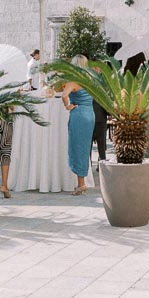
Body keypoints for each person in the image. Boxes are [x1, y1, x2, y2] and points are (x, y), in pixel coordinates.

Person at [60, 55, 96, 196]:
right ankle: (81, 182)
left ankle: (81, 184)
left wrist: (67, 106)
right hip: (90, 114)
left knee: (77, 147)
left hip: (79, 115)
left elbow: (64, 95)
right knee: (84, 148)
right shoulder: (89, 79)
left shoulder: (74, 80)